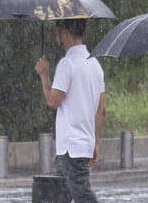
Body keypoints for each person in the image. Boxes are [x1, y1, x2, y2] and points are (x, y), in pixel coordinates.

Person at [34, 19, 105, 203]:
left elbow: (53, 100)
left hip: (70, 146)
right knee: (63, 196)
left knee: (81, 195)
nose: (55, 35)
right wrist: (95, 142)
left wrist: (44, 75)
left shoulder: (67, 64)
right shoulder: (94, 64)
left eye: (56, 30)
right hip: (83, 143)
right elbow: (101, 109)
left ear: (64, 32)